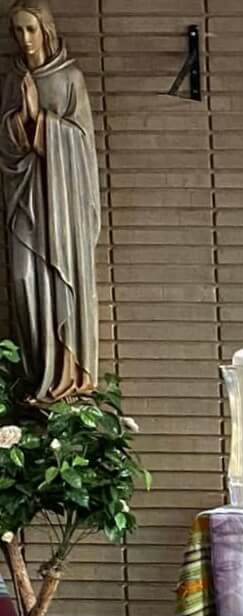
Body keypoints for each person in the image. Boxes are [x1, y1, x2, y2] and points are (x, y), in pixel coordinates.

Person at [0, 1, 100, 402]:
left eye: (31, 29)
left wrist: (41, 120)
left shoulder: (69, 77)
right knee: (24, 279)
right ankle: (36, 375)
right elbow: (6, 144)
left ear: (46, 30)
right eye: (17, 30)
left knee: (62, 282)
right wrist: (20, 121)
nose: (24, 39)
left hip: (62, 204)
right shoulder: (14, 80)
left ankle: (67, 375)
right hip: (25, 200)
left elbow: (82, 143)